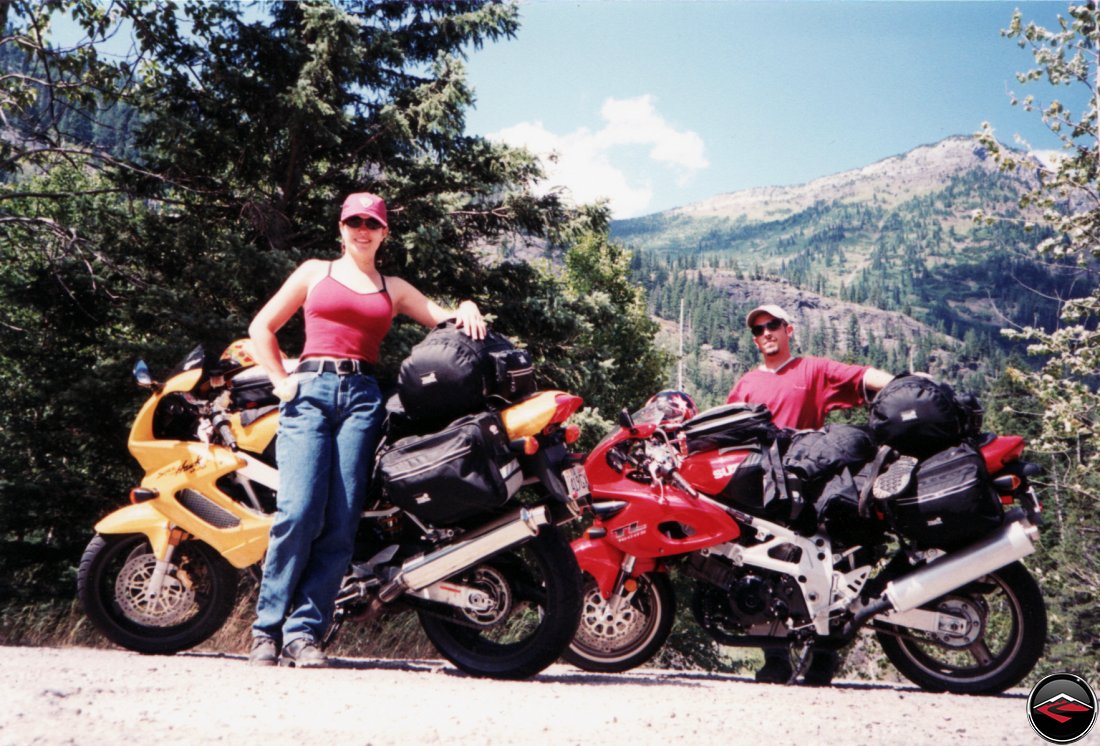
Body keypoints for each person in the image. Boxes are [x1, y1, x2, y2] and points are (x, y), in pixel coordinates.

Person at [246, 192, 486, 668]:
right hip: (309, 392)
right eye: (354, 221)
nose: (362, 229)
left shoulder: (391, 287)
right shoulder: (315, 272)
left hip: (361, 399)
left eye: (371, 223)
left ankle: (304, 635)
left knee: (341, 520)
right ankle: (265, 632)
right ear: (341, 228)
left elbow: (443, 315)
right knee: (297, 512)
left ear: (383, 232)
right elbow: (261, 328)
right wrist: (281, 381)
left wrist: (468, 303)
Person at [726, 303, 893, 686]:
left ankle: (822, 658)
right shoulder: (747, 383)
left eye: (772, 326)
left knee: (824, 567)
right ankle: (775, 659)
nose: (765, 333)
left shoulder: (813, 369)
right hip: (763, 487)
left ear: (789, 329)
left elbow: (863, 376)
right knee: (765, 568)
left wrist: (904, 384)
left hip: (809, 478)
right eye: (758, 329)